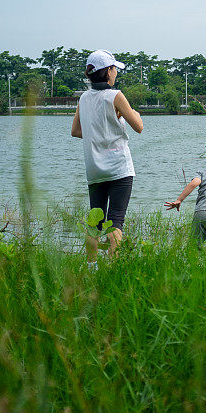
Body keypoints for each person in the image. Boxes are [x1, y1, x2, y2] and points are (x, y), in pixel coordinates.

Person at [71, 50, 143, 263]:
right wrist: (133, 114)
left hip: (94, 169)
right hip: (119, 168)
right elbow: (138, 126)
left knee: (95, 221)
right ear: (107, 72)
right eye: (114, 69)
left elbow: (75, 131)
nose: (116, 74)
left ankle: (91, 266)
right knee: (116, 220)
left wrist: (99, 130)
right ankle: (112, 266)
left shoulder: (83, 98)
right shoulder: (115, 95)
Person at [165, 140, 206, 245]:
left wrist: (179, 199)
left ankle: (192, 259)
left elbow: (194, 183)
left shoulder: (202, 173)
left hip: (201, 213)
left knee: (194, 245)